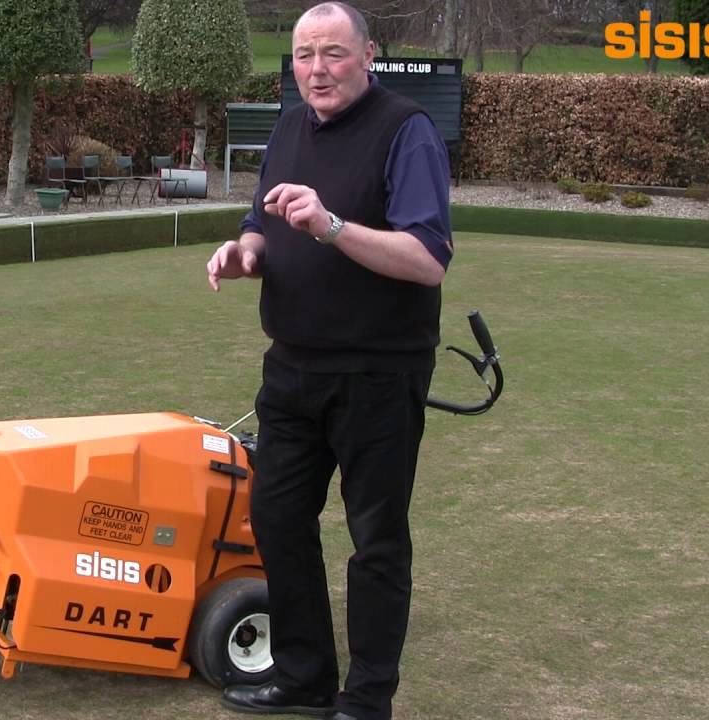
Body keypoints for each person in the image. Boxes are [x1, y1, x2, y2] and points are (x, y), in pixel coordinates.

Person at [207, 3, 453, 720]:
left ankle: (367, 698)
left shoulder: (406, 131)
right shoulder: (289, 126)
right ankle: (304, 676)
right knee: (279, 518)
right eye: (304, 54)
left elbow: (428, 259)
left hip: (379, 373)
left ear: (367, 54)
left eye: (333, 53)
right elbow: (263, 220)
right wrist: (246, 251)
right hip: (292, 367)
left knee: (376, 538)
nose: (316, 68)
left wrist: (332, 226)